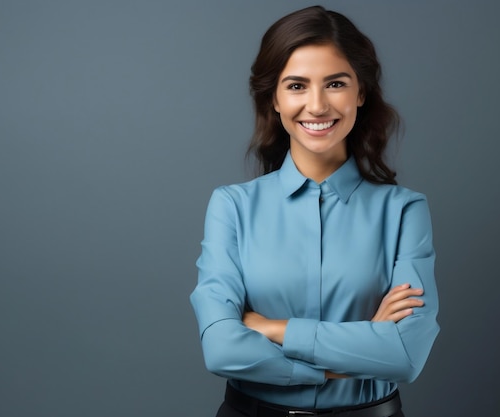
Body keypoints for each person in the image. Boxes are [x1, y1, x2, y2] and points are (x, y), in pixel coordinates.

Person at [190, 5, 439, 417]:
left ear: (361, 92)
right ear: (274, 98)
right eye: (297, 86)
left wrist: (275, 329)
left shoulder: (404, 211)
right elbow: (220, 350)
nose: (318, 105)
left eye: (336, 83)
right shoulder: (232, 206)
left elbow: (406, 355)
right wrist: (355, 353)